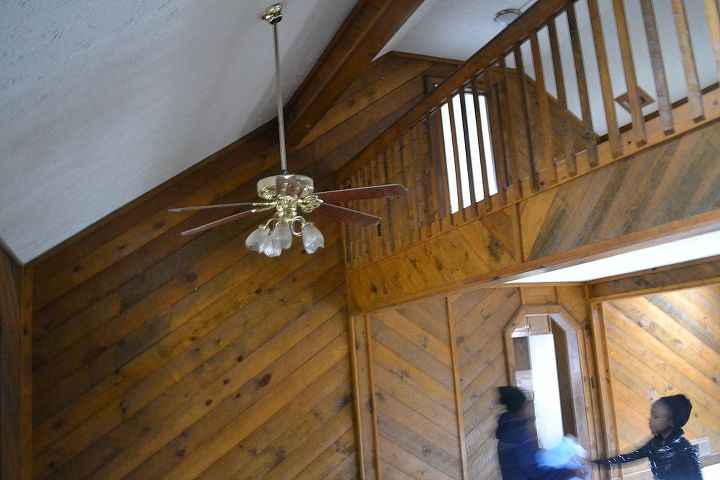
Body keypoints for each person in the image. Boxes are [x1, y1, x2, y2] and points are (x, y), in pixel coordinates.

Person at [593, 394, 703, 479]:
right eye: (651, 414)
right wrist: (598, 462)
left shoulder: (686, 451)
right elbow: (630, 457)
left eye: (656, 416)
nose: (650, 419)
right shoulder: (654, 444)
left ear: (671, 422)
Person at [496, 386, 580, 479]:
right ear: (520, 409)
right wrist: (568, 472)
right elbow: (534, 472)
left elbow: (522, 462)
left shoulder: (508, 431)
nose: (531, 408)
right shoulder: (519, 435)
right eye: (528, 404)